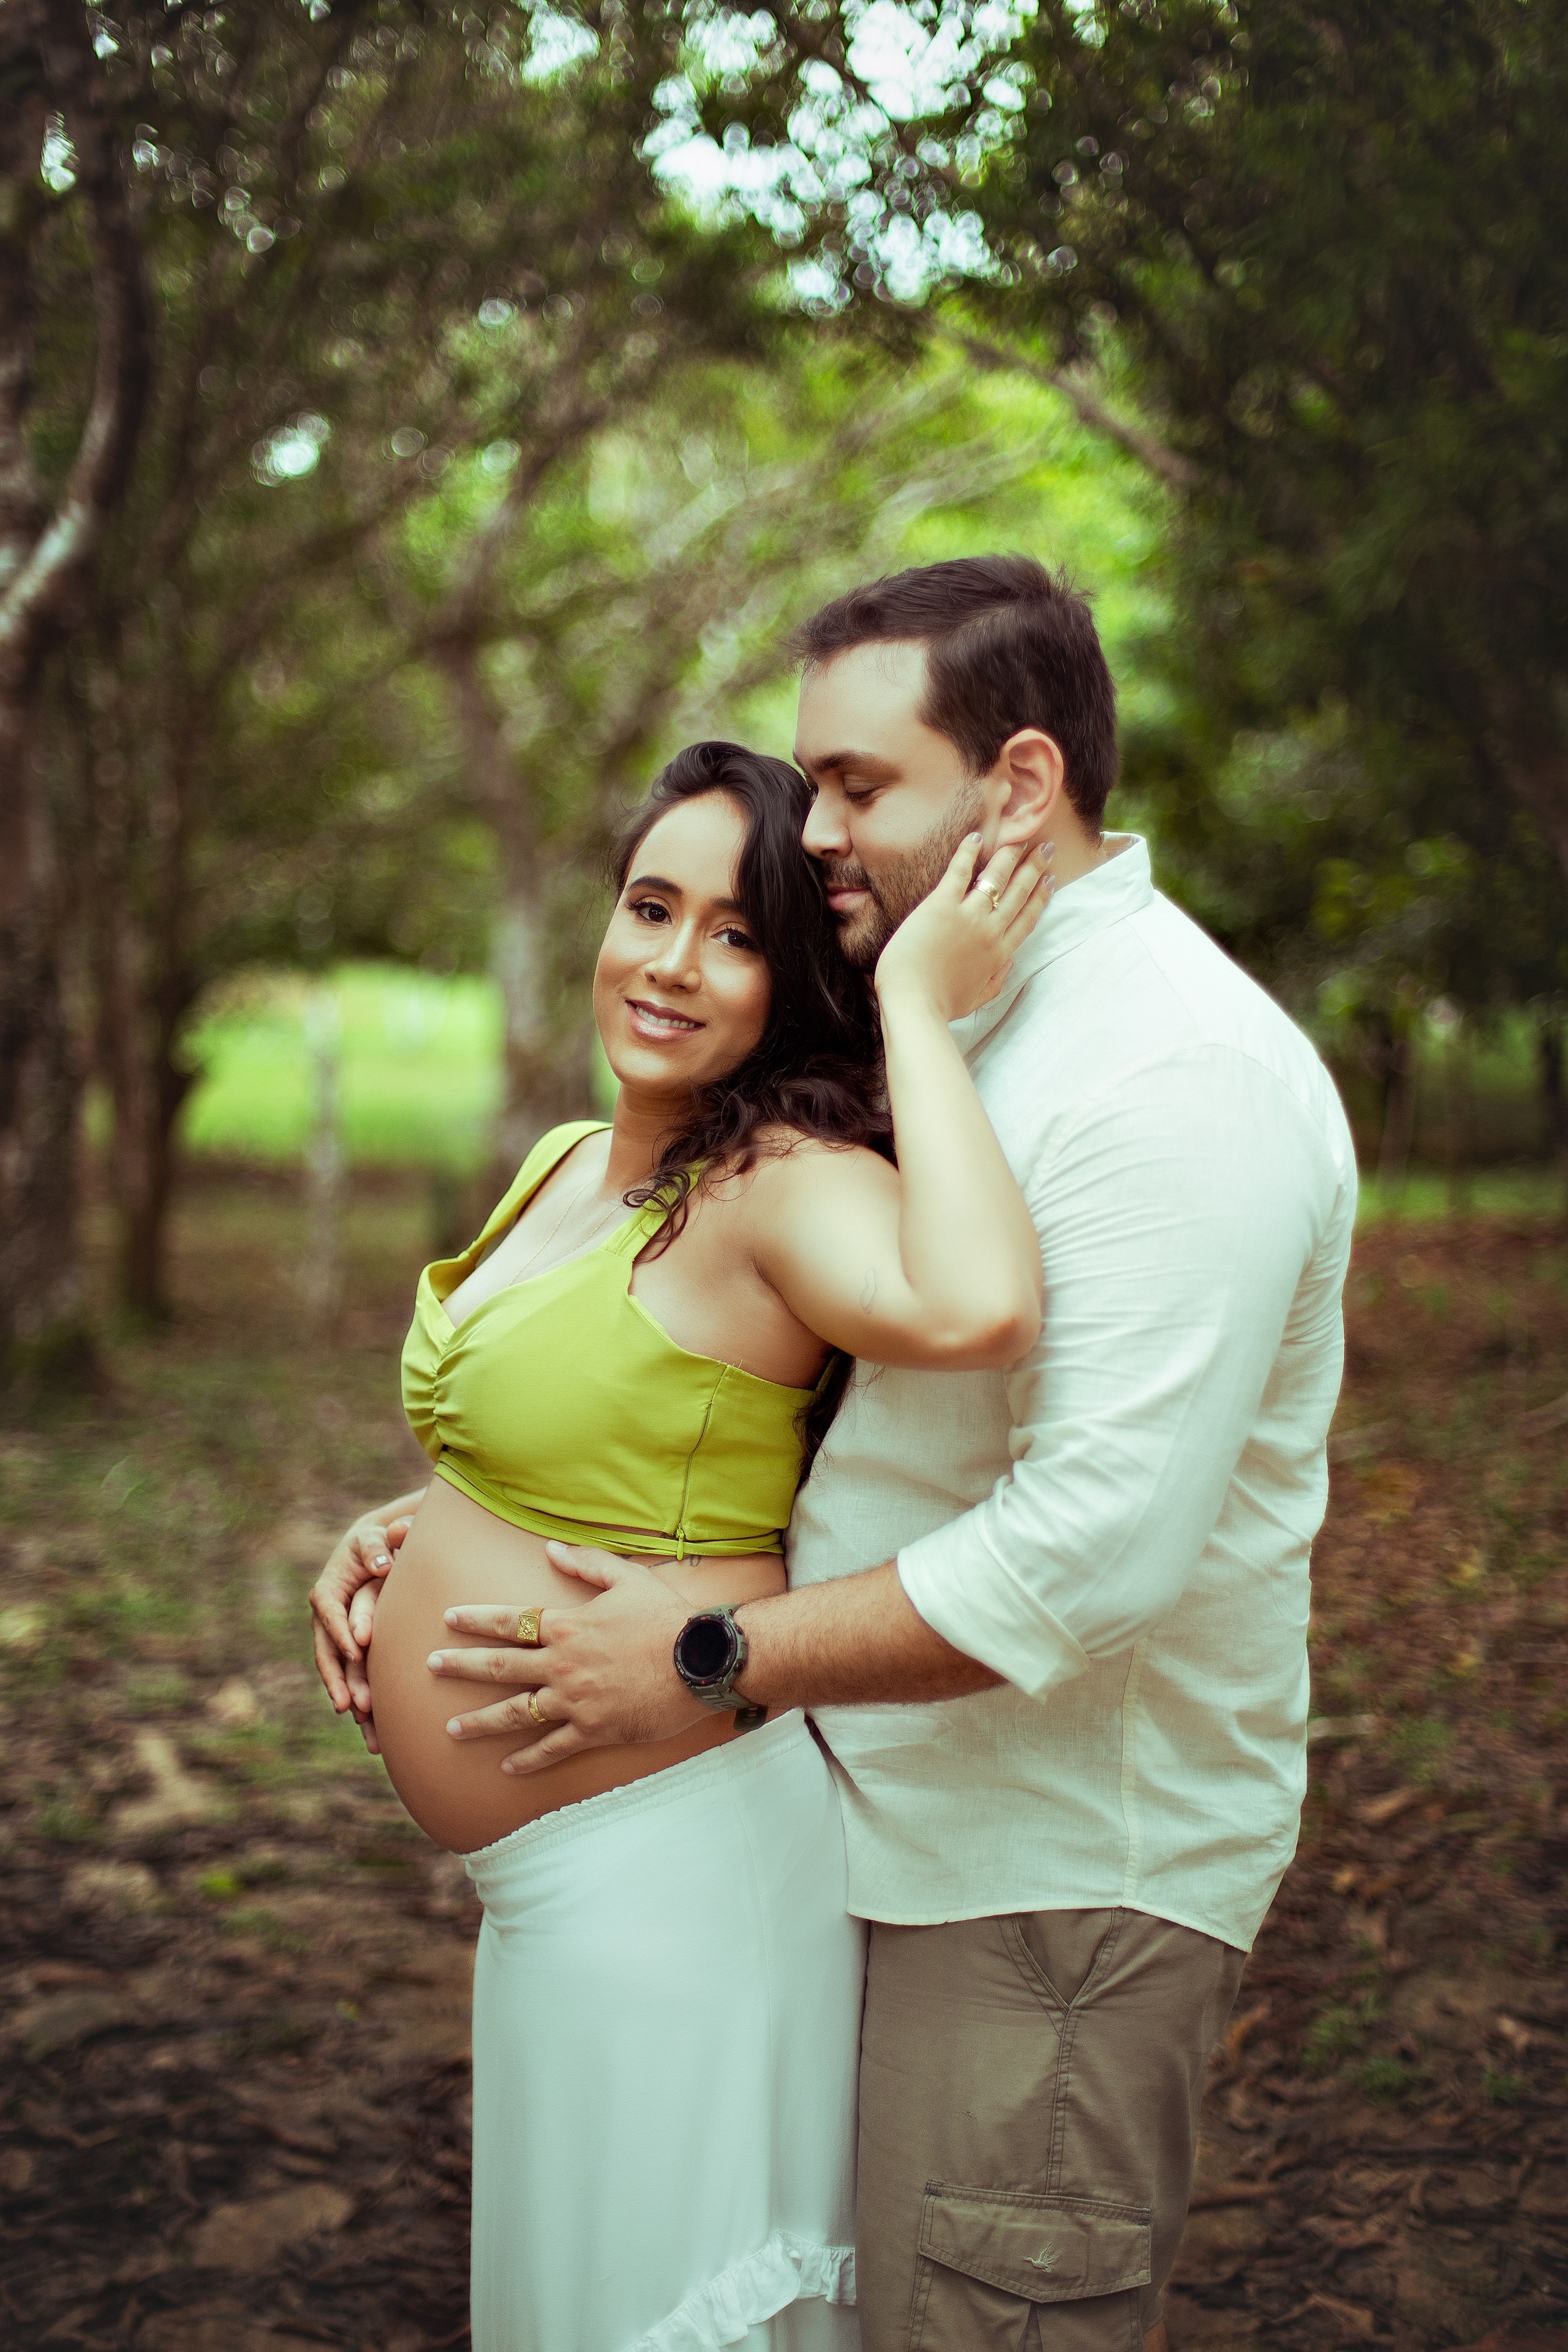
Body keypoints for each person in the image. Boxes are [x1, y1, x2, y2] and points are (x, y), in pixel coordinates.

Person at [398, 559, 1359, 2352]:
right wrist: (442, 1526)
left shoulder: (1175, 1076)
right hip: (870, 1834)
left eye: (857, 787)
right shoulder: (969, 1010)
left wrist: (705, 1658)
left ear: (1017, 787)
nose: (814, 832)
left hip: (1047, 1881)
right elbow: (744, 1386)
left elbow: (1088, 1555)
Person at [309, 737, 1052, 2352]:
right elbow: (546, 1427)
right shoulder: (571, 1163)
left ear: (794, 983)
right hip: (552, 1896)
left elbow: (983, 1309)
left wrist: (919, 1003)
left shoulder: (779, 1185)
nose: (671, 962)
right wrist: (401, 1534)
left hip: (681, 1869)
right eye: (652, 906)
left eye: (736, 934)